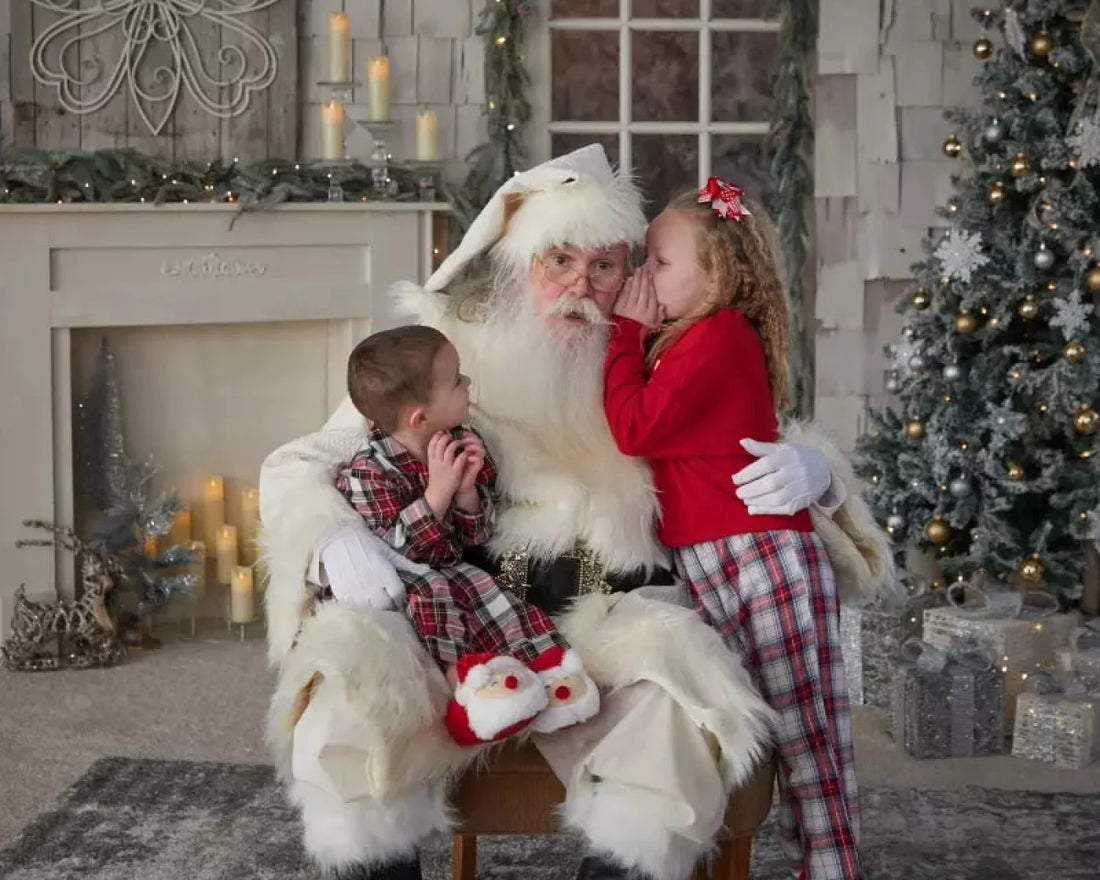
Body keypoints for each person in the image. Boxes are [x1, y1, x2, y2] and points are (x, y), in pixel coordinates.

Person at [260, 144, 894, 880]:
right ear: (520, 261)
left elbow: (751, 445)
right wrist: (334, 537)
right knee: (348, 686)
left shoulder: (663, 348)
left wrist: (822, 477)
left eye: (603, 265)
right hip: (463, 613)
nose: (579, 286)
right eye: (557, 260)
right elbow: (302, 460)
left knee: (678, 716)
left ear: (631, 271)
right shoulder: (449, 351)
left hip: (611, 615)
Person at [603, 178, 860, 880]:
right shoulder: (688, 337)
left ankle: (833, 867)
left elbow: (635, 427)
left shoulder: (717, 338)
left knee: (806, 728)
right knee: (737, 719)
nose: (641, 276)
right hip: (715, 556)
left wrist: (623, 332)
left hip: (759, 556)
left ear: (714, 273)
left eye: (659, 262)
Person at [333, 325, 600, 746]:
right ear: (419, 417)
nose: (468, 383)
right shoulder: (369, 470)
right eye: (457, 381)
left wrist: (467, 492)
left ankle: (550, 678)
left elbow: (477, 536)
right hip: (407, 580)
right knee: (438, 617)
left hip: (458, 570)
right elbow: (394, 548)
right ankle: (472, 698)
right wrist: (436, 493)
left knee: (502, 608)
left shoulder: (462, 440)